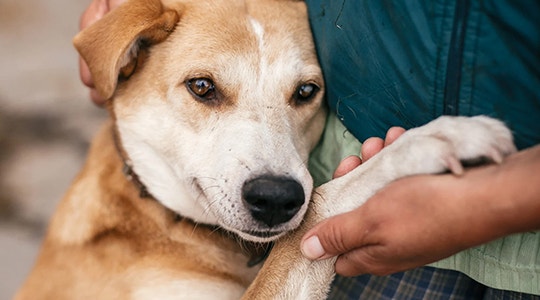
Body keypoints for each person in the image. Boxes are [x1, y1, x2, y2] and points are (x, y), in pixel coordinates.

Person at [79, 0, 540, 299]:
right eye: (205, 88)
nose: (271, 171)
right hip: (374, 200)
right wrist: (358, 188)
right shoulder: (104, 259)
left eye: (302, 94)